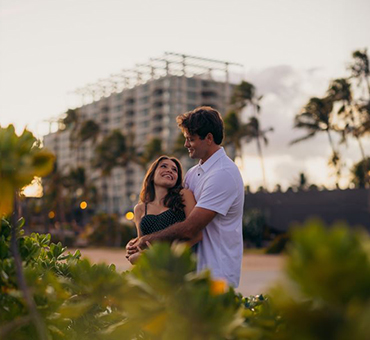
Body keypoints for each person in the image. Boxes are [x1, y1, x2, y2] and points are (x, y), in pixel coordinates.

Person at [127, 106, 244, 287]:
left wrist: (147, 242)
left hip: (216, 274)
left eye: (190, 139)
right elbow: (173, 216)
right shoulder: (193, 173)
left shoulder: (223, 173)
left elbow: (190, 228)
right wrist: (137, 244)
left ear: (209, 138)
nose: (186, 145)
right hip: (187, 274)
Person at [127, 155, 201, 264]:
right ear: (152, 175)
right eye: (164, 166)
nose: (169, 170)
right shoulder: (140, 209)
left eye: (174, 170)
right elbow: (142, 244)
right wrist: (132, 247)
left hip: (180, 263)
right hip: (154, 269)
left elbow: (197, 234)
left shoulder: (184, 195)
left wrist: (169, 255)